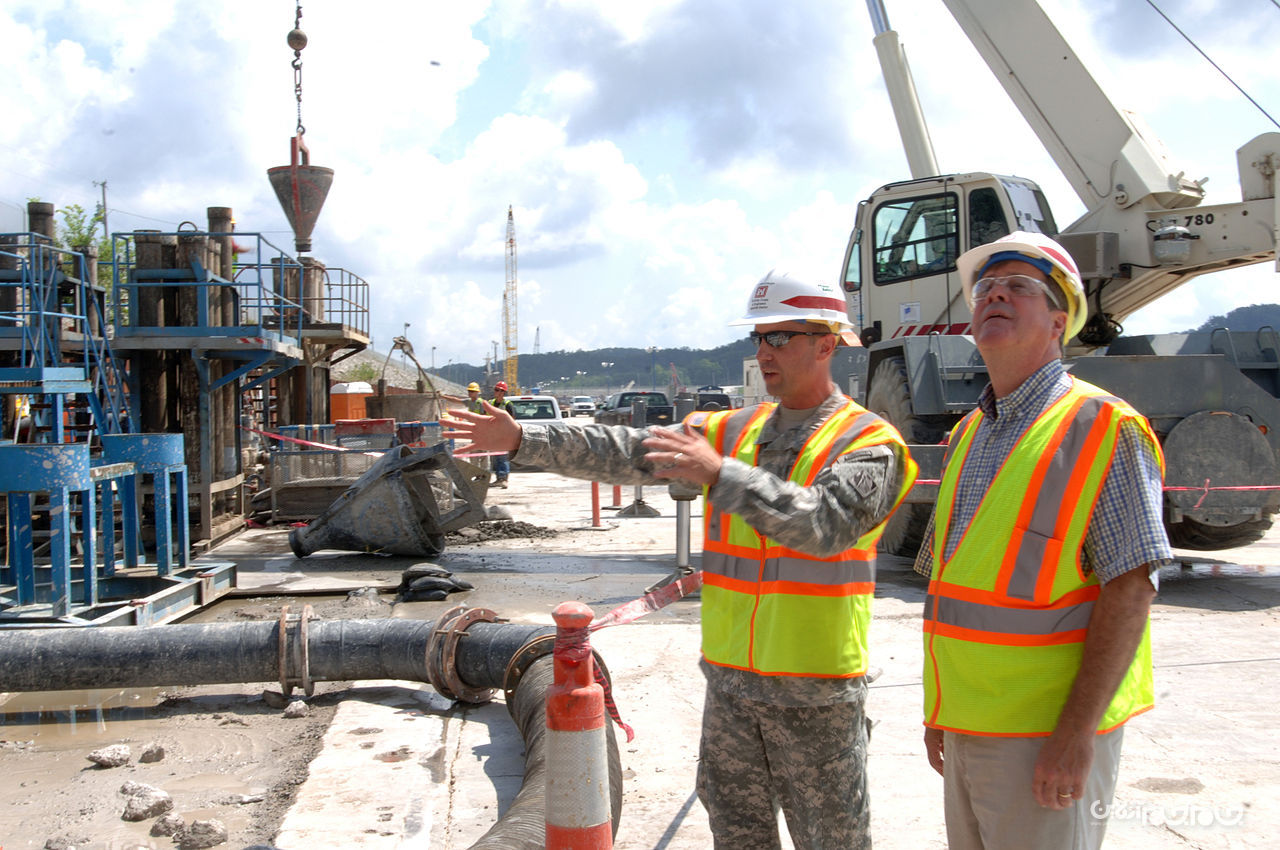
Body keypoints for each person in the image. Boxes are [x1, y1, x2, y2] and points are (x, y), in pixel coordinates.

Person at [444, 269, 918, 850]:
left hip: (815, 696)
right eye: (758, 338)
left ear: (827, 343)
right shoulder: (729, 429)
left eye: (780, 337)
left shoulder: (868, 442)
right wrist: (525, 440)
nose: (764, 352)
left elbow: (823, 524)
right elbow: (626, 451)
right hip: (732, 689)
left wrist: (719, 473)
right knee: (736, 837)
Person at [914, 231, 1171, 850]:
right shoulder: (971, 434)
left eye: (1019, 287)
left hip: (1046, 740)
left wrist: (1076, 734)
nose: (995, 294)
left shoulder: (1103, 426)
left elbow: (1130, 590)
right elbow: (953, 587)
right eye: (985, 288)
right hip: (969, 725)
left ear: (1059, 322)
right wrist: (940, 712)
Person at [489, 380, 515, 487]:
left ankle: (504, 479)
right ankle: (498, 478)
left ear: (502, 392)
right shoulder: (491, 403)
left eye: (497, 390)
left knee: (503, 458)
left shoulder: (507, 405)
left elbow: (512, 419)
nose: (495, 392)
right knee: (496, 458)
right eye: (495, 389)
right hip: (494, 435)